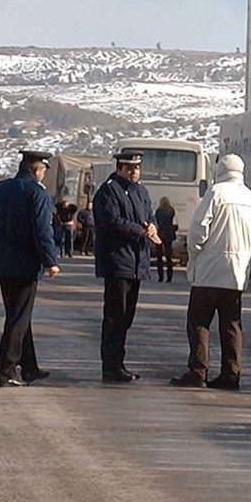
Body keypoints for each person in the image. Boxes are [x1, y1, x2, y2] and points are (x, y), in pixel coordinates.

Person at [171, 155, 251, 389]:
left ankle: (198, 370)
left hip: (209, 271)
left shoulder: (215, 193)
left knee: (199, 322)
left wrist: (195, 251)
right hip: (237, 273)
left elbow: (198, 229)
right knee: (231, 323)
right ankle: (231, 373)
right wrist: (245, 255)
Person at [0, 150, 61, 387]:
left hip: (3, 263)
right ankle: (5, 370)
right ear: (37, 170)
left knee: (19, 315)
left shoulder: (1, 189)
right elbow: (42, 230)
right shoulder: (37, 193)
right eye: (43, 171)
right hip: (25, 265)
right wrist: (50, 261)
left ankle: (29, 367)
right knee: (17, 318)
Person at [93, 149, 160, 383]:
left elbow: (150, 215)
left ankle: (119, 362)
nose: (134, 172)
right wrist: (139, 231)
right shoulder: (109, 191)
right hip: (118, 261)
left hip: (136, 263)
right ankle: (110, 366)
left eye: (137, 168)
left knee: (126, 317)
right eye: (130, 168)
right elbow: (112, 222)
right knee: (114, 316)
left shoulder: (141, 191)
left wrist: (152, 227)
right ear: (120, 167)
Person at [155, 196, 177, 282]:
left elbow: (156, 222)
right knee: (169, 257)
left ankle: (160, 277)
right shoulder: (171, 210)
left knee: (159, 257)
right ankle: (169, 277)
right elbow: (175, 222)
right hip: (169, 235)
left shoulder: (158, 211)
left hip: (160, 234)